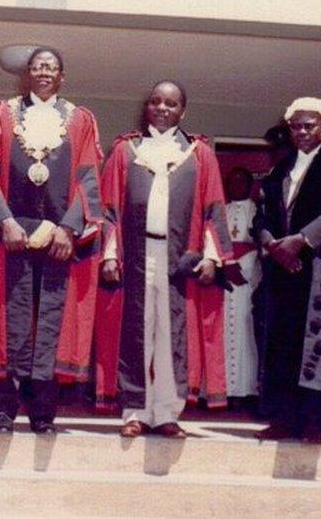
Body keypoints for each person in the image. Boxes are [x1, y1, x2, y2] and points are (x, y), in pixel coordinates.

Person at [0, 47, 103, 435]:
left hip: (60, 234)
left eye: (52, 67)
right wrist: (4, 220)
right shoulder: (2, 113)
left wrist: (70, 227)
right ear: (27, 75)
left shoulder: (81, 119)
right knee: (11, 319)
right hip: (14, 233)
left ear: (62, 77)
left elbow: (90, 177)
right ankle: (5, 410)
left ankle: (43, 414)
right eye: (38, 67)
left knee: (52, 324)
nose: (44, 72)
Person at [94, 80, 236, 439]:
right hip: (136, 255)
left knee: (171, 335)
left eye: (170, 104)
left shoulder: (199, 154)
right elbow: (108, 207)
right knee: (137, 332)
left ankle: (168, 413)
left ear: (182, 111)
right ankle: (135, 411)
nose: (161, 108)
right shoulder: (126, 151)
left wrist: (211, 256)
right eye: (155, 101)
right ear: (147, 107)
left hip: (179, 258)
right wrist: (109, 253)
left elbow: (212, 207)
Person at [253, 97, 321, 443]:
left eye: (309, 125)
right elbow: (261, 216)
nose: (301, 132)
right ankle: (285, 419)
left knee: (317, 347)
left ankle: (318, 423)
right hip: (283, 271)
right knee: (283, 343)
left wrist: (299, 241)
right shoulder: (279, 169)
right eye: (296, 126)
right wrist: (273, 245)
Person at [222, 167, 261, 402]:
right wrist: (225, 266)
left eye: (241, 181)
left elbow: (260, 246)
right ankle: (223, 390)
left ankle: (245, 390)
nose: (236, 185)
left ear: (249, 184)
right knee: (224, 332)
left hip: (246, 282)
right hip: (225, 281)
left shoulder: (257, 210)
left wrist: (244, 268)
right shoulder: (222, 211)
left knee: (245, 334)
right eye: (232, 181)